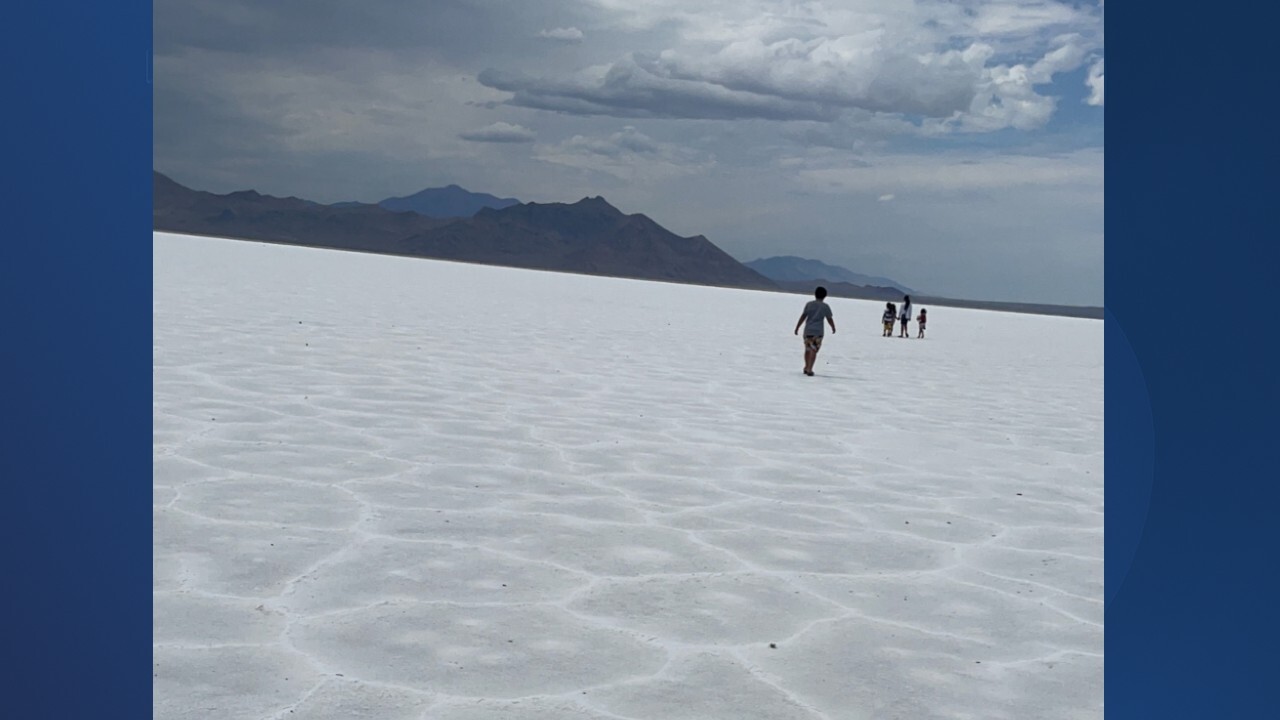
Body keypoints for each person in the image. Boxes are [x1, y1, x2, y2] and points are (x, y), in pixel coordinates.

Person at [794, 286, 836, 376]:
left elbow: (803, 316)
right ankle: (809, 369)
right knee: (814, 350)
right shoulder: (825, 306)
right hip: (818, 332)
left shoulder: (809, 304)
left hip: (808, 330)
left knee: (808, 349)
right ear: (825, 296)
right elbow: (829, 318)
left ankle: (806, 366)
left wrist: (797, 327)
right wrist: (833, 327)